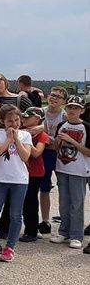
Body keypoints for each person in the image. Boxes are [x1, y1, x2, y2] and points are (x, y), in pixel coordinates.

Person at [0, 105, 32, 262]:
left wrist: (16, 139)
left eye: (17, 120)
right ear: (3, 121)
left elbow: (25, 156)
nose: (14, 124)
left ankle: (10, 247)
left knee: (16, 215)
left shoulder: (25, 135)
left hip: (19, 180)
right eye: (10, 121)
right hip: (0, 179)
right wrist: (8, 139)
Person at [49, 96, 90, 250]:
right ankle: (64, 231)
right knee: (64, 202)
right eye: (70, 107)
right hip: (62, 168)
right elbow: (55, 148)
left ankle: (76, 235)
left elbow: (88, 152)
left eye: (76, 108)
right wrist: (58, 142)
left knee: (77, 203)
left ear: (81, 110)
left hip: (79, 170)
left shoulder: (86, 127)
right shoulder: (61, 125)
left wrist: (72, 141)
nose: (72, 111)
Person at [37, 86, 68, 233]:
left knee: (64, 187)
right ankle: (45, 220)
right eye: (52, 95)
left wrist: (45, 137)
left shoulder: (65, 115)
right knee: (44, 187)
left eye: (58, 96)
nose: (54, 98)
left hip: (60, 154)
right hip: (44, 153)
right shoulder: (40, 113)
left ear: (63, 101)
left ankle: (65, 218)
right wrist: (51, 139)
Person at [19, 106, 49, 243]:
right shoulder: (20, 131)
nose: (23, 119)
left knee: (30, 201)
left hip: (35, 172)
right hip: (21, 171)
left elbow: (37, 153)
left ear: (37, 119)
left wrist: (25, 139)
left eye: (27, 117)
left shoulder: (42, 135)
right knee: (21, 201)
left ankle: (31, 230)